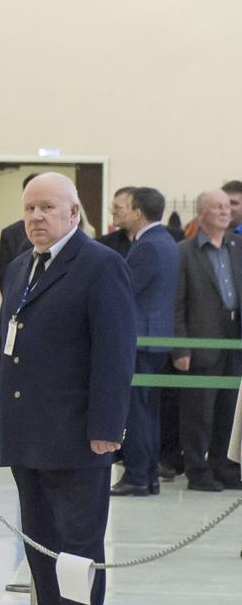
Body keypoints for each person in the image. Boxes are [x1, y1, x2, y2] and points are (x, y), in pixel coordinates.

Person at [0, 172, 136, 605]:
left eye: (47, 208)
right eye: (29, 208)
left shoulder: (100, 265)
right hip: (25, 429)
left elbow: (115, 353)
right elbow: (5, 348)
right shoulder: (21, 266)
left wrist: (107, 426)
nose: (36, 217)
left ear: (74, 212)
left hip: (77, 431)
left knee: (78, 542)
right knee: (39, 537)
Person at [172, 190, 242, 492]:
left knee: (229, 408)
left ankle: (222, 466)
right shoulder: (184, 252)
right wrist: (181, 347)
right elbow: (176, 304)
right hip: (201, 340)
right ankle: (197, 470)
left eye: (227, 206)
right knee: (198, 412)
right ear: (201, 214)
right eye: (217, 207)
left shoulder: (237, 246)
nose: (225, 211)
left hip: (234, 337)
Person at [111, 188, 178, 497]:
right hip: (156, 339)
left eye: (124, 207)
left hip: (142, 340)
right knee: (148, 413)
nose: (118, 213)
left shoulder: (148, 245)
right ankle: (147, 475)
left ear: (138, 212)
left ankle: (138, 474)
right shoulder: (165, 241)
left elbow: (125, 290)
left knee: (137, 413)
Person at [100, 187, 138, 258]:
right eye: (112, 207)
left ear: (136, 211)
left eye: (117, 207)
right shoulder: (105, 244)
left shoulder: (154, 240)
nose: (112, 212)